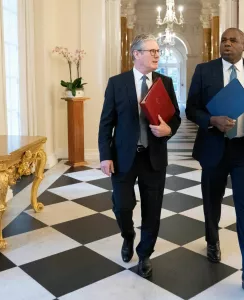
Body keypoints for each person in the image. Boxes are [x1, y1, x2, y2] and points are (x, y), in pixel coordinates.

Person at [186, 28, 244, 295]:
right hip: (214, 148)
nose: (227, 44)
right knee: (211, 201)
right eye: (224, 40)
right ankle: (212, 240)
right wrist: (212, 120)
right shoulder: (204, 70)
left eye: (233, 40)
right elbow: (191, 109)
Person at [98, 33, 181, 278]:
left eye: (157, 51)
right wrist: (105, 155)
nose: (157, 54)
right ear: (136, 54)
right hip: (123, 157)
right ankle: (128, 236)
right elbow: (106, 123)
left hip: (153, 157)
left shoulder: (165, 82)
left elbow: (174, 116)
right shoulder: (117, 83)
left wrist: (169, 129)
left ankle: (145, 254)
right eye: (151, 51)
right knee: (122, 206)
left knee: (152, 209)